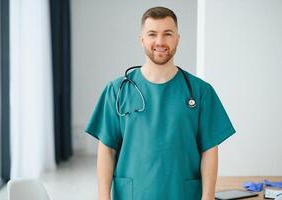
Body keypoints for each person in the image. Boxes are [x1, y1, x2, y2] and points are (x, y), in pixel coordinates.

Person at [85, 6, 236, 200]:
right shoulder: (117, 90)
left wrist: (207, 197)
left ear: (177, 39)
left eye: (167, 34)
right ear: (142, 40)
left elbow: (209, 149)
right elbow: (107, 148)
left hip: (182, 194)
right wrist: (103, 197)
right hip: (133, 194)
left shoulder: (200, 91)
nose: (160, 41)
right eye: (152, 34)